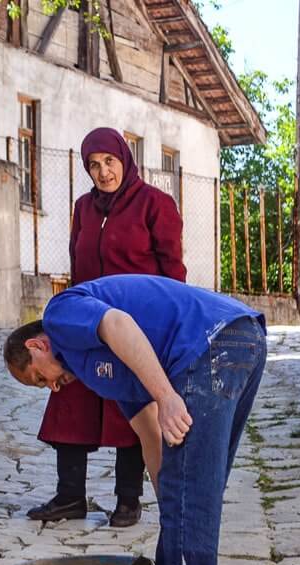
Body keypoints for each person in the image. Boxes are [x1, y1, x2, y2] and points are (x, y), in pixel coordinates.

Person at [4, 275, 266, 565]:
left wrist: (167, 398)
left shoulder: (60, 315)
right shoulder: (102, 371)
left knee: (191, 494)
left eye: (40, 377)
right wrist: (172, 505)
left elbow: (119, 324)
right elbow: (149, 435)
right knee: (190, 491)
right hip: (235, 340)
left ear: (36, 345)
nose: (52, 387)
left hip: (210, 344)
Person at [32, 127, 186, 528]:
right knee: (71, 399)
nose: (103, 172)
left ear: (125, 159)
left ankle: (128, 500)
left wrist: (170, 333)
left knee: (131, 408)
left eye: (109, 162)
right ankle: (69, 496)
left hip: (138, 324)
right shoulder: (84, 208)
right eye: (93, 165)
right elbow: (76, 261)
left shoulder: (156, 204)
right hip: (86, 321)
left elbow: (173, 275)